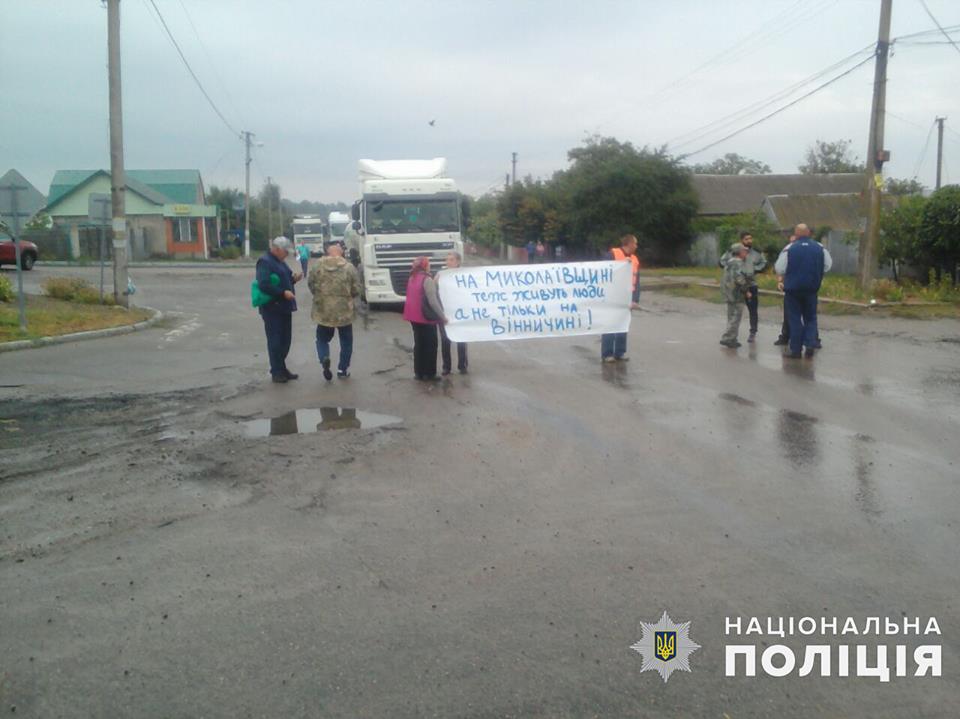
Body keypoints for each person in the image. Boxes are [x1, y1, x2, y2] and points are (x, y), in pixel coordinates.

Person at [774, 223, 832, 359]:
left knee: (794, 318)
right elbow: (828, 265)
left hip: (793, 289)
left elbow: (780, 268)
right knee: (811, 318)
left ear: (796, 233)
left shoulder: (789, 248)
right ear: (809, 233)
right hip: (811, 288)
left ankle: (796, 349)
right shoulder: (820, 247)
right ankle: (810, 344)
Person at [308, 242, 360, 380]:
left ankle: (324, 357)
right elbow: (356, 289)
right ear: (341, 253)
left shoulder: (317, 266)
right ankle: (342, 370)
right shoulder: (349, 268)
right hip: (344, 311)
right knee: (346, 341)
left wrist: (320, 296)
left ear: (327, 253)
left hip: (323, 310)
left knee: (322, 339)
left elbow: (311, 284)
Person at [256, 236, 303, 383]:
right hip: (272, 308)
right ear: (276, 249)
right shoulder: (265, 262)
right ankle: (276, 372)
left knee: (285, 340)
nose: (287, 255)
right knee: (275, 341)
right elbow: (263, 284)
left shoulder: (280, 262)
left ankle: (281, 368)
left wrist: (294, 279)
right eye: (285, 252)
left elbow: (287, 278)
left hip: (285, 307)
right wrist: (282, 293)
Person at [402, 256, 445, 381]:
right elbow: (433, 301)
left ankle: (419, 373)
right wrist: (443, 317)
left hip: (413, 317)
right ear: (425, 266)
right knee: (431, 345)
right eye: (428, 264)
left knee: (419, 344)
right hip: (425, 317)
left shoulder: (412, 278)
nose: (430, 265)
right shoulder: (427, 279)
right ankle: (430, 373)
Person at [719, 231, 767, 342]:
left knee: (753, 310)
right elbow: (722, 262)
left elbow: (763, 263)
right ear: (741, 240)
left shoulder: (756, 252)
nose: (749, 241)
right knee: (734, 312)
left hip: (751, 283)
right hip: (737, 286)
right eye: (746, 239)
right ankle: (731, 335)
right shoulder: (733, 251)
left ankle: (753, 332)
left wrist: (755, 269)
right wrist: (730, 268)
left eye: (750, 238)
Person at [600, 234, 641, 362]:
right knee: (610, 324)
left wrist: (635, 299)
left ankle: (619, 352)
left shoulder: (634, 259)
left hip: (628, 298)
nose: (636, 246)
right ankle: (607, 354)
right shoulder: (613, 254)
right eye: (635, 243)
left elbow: (637, 281)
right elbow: (604, 271)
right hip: (613, 296)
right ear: (629, 244)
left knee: (623, 325)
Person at [438, 251, 468, 375]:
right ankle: (446, 367)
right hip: (445, 313)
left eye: (451, 259)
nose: (448, 262)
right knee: (445, 340)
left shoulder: (464, 275)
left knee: (461, 339)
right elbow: (434, 289)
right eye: (447, 259)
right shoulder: (441, 274)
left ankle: (462, 365)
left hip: (460, 313)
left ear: (458, 262)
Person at [719, 242, 752, 348]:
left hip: (729, 292)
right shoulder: (738, 263)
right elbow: (739, 279)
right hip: (736, 293)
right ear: (739, 252)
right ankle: (728, 338)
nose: (746, 252)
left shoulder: (729, 262)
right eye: (744, 251)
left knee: (731, 316)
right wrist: (746, 290)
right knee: (736, 317)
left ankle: (732, 337)